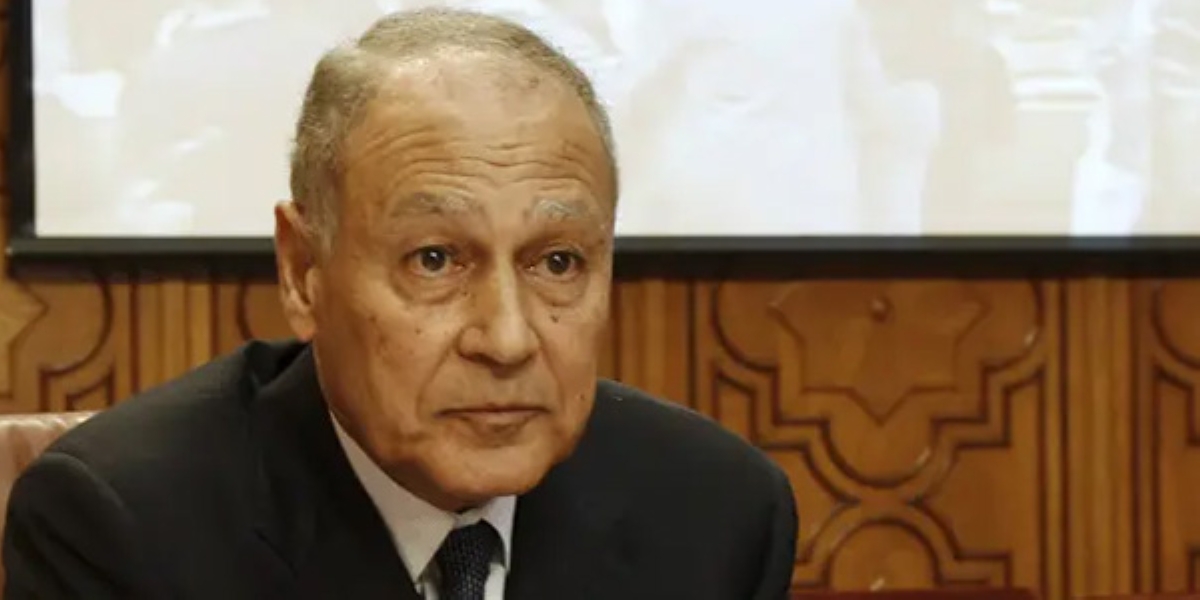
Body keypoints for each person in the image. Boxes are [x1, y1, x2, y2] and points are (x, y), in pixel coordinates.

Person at [2, 7, 798, 600]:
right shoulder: (123, 529)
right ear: (303, 272)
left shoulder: (717, 515)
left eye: (558, 262)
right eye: (435, 260)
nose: (508, 339)